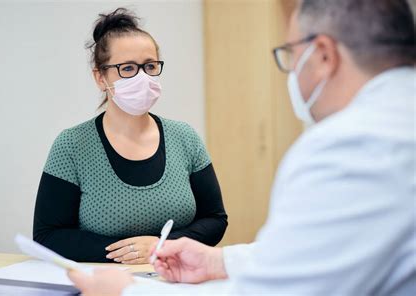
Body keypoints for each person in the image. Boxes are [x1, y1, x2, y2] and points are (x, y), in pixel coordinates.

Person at [67, 0, 416, 294]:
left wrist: (128, 290)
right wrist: (220, 261)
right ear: (101, 76)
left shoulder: (349, 146)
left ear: (323, 55)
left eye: (291, 54)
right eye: (127, 68)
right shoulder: (397, 124)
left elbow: (275, 288)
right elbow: (317, 250)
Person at [33, 8, 228, 264]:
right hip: (105, 284)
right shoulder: (72, 145)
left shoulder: (185, 137)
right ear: (100, 77)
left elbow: (215, 219)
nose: (142, 77)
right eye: (127, 68)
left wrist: (161, 246)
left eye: (150, 66)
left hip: (177, 281)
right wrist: (132, 253)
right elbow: (47, 236)